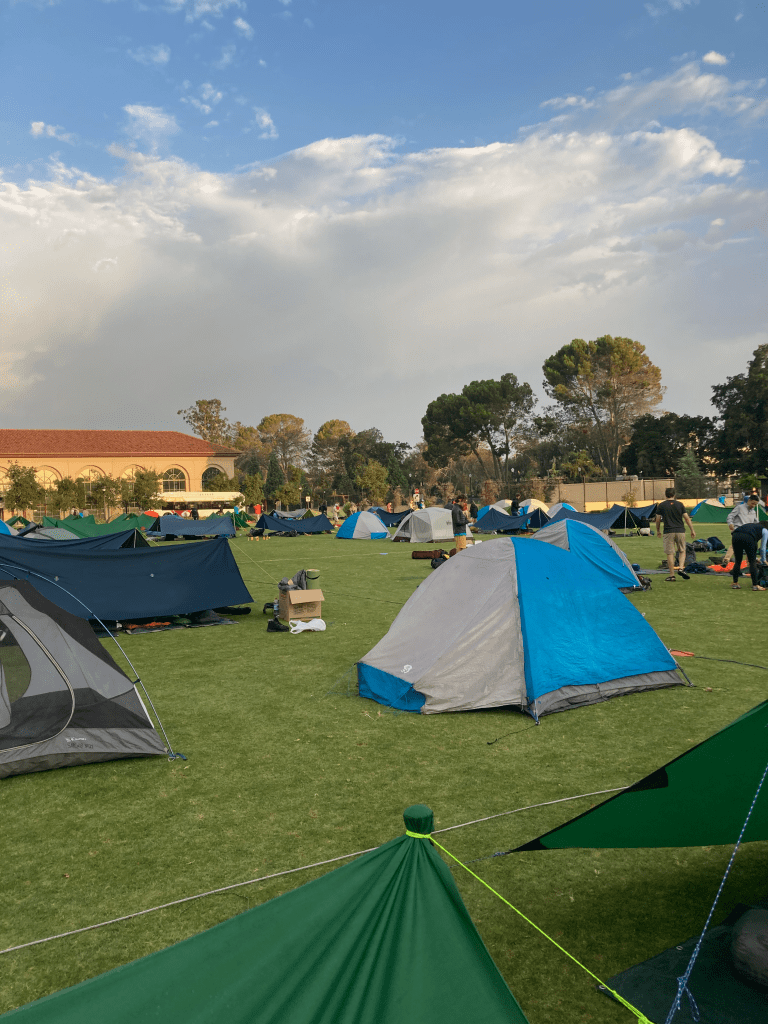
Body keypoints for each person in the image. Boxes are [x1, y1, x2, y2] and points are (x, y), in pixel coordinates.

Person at [654, 487, 696, 581]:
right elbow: (686, 518)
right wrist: (692, 529)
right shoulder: (680, 504)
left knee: (670, 553)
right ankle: (681, 568)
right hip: (680, 530)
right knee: (682, 550)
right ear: (674, 495)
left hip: (668, 531)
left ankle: (672, 575)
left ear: (665, 495)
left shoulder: (661, 505)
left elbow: (657, 519)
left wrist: (658, 530)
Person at [729, 520, 768, 591]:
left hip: (735, 536)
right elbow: (763, 548)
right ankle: (755, 585)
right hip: (749, 537)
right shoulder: (765, 530)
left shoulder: (753, 526)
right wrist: (763, 559)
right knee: (752, 561)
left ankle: (735, 583)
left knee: (738, 561)